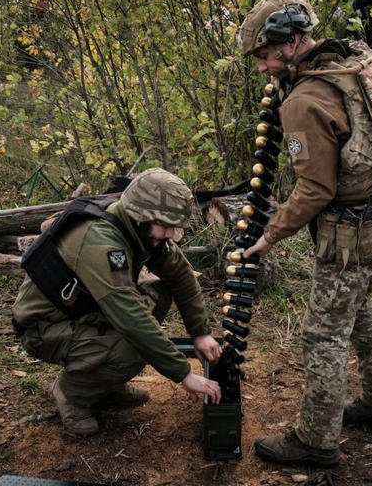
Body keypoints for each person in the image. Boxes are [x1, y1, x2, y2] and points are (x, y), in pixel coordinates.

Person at [238, 0, 372, 466]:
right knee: (358, 312)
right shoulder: (349, 63)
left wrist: (271, 233)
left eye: (265, 56)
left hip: (353, 233)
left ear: (292, 42)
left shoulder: (306, 99)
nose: (261, 68)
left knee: (322, 333)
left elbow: (315, 189)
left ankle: (315, 441)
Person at [12, 168, 222, 436]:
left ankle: (104, 385)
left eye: (174, 226)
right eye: (166, 225)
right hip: (44, 327)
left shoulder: (139, 230)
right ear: (141, 215)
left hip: (82, 311)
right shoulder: (101, 241)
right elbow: (131, 319)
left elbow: (180, 274)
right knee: (134, 349)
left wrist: (200, 333)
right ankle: (71, 394)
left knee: (158, 293)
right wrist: (183, 373)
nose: (171, 234)